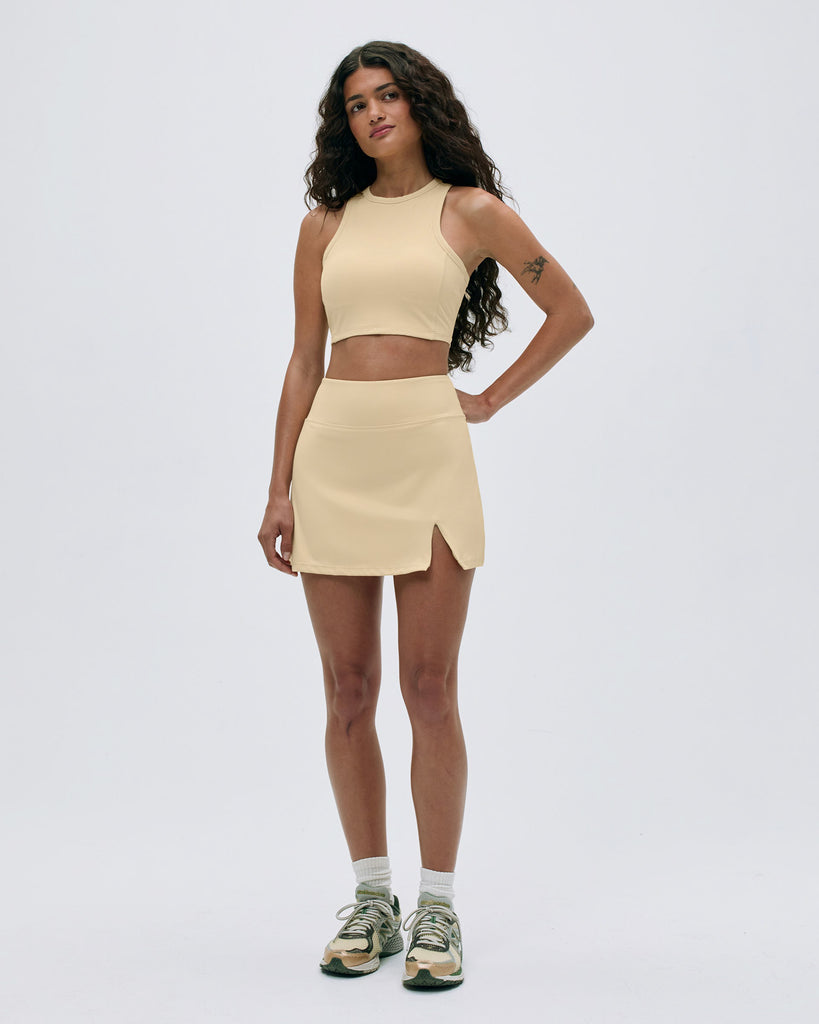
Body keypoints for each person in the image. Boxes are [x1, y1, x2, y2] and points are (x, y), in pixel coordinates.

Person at [258, 40, 593, 988]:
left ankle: (436, 907)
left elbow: (570, 312)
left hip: (427, 454)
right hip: (333, 455)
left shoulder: (469, 210)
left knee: (430, 688)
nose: (372, 113)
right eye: (355, 103)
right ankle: (373, 900)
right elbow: (303, 359)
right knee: (347, 690)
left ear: (418, 105)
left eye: (387, 96)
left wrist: (487, 400)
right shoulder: (324, 226)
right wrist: (278, 486)